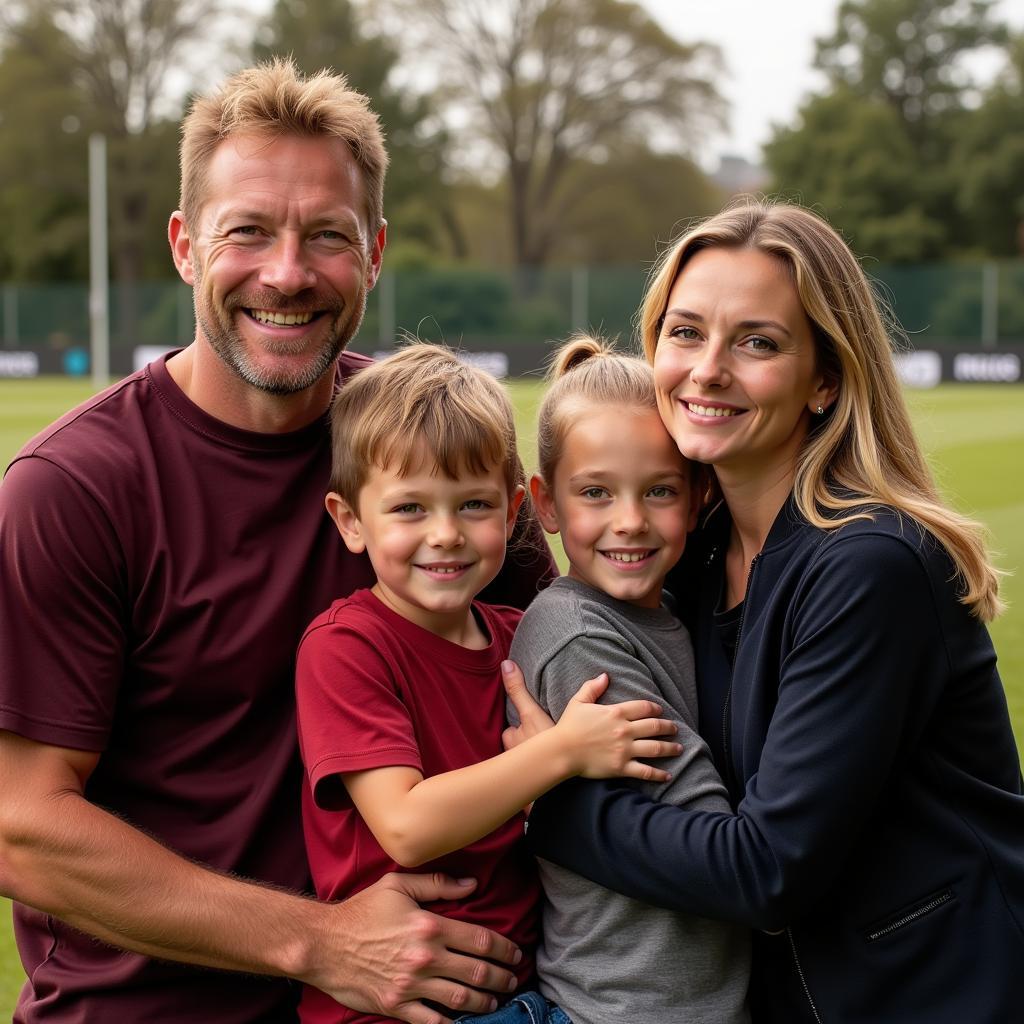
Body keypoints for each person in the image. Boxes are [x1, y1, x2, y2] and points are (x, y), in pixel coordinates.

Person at [0, 60, 556, 1023]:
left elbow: (583, 627)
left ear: (375, 253)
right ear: (185, 245)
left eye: (327, 237)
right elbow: (23, 828)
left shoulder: (429, 452)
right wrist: (322, 943)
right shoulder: (74, 489)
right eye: (247, 231)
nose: (288, 273)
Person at [506, 201, 1024, 1022]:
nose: (708, 368)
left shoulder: (869, 567)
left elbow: (767, 871)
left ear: (825, 379)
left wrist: (546, 804)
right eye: (685, 332)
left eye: (757, 342)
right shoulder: (693, 553)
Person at [295, 342, 679, 1024]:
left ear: (510, 513)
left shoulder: (521, 634)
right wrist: (560, 752)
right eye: (410, 509)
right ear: (351, 520)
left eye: (472, 505)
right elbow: (407, 826)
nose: (445, 535)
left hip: (531, 993)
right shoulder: (347, 647)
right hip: (396, 1009)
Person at [506, 334, 750, 1024]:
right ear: (545, 505)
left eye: (660, 491)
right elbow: (709, 839)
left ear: (699, 496)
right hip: (628, 1009)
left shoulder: (670, 611)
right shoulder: (576, 637)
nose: (631, 522)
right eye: (596, 494)